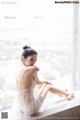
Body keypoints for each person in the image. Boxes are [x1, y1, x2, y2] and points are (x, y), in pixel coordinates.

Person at [13, 45, 74, 120]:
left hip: (21, 107)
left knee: (40, 86)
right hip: (31, 109)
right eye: (31, 59)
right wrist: (44, 81)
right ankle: (68, 94)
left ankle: (61, 92)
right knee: (48, 86)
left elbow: (37, 84)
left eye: (35, 60)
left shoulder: (18, 69)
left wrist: (44, 81)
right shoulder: (33, 69)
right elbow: (38, 82)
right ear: (24, 59)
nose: (34, 62)